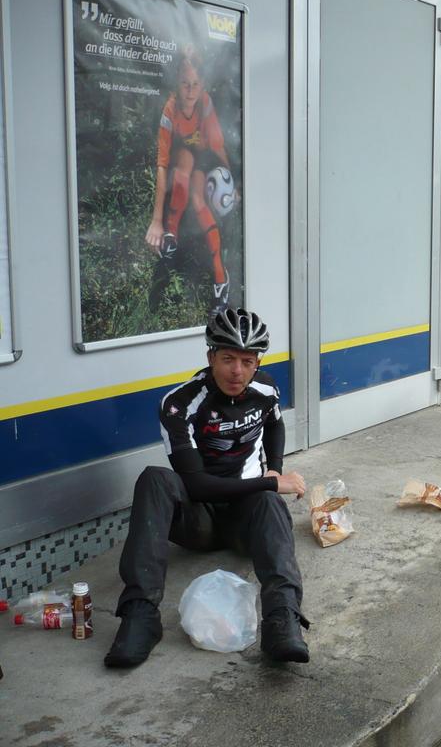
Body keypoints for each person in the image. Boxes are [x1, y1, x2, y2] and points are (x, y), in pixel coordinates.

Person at [104, 308, 310, 667]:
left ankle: (283, 619)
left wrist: (273, 470)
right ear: (210, 356)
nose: (237, 371)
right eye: (228, 358)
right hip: (198, 522)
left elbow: (274, 425)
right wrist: (272, 482)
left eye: (248, 361)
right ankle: (140, 614)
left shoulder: (266, 387)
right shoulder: (180, 404)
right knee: (155, 478)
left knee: (268, 500)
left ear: (257, 361)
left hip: (246, 522)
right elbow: (196, 486)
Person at [146, 47, 239, 318]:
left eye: (195, 84)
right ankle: (170, 236)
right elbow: (162, 165)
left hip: (203, 161)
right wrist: (156, 220)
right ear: (177, 83)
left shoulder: (205, 105)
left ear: (202, 86)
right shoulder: (170, 110)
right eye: (185, 84)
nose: (190, 90)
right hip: (181, 161)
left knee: (199, 201)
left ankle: (221, 282)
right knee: (183, 165)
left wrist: (234, 184)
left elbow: (218, 146)